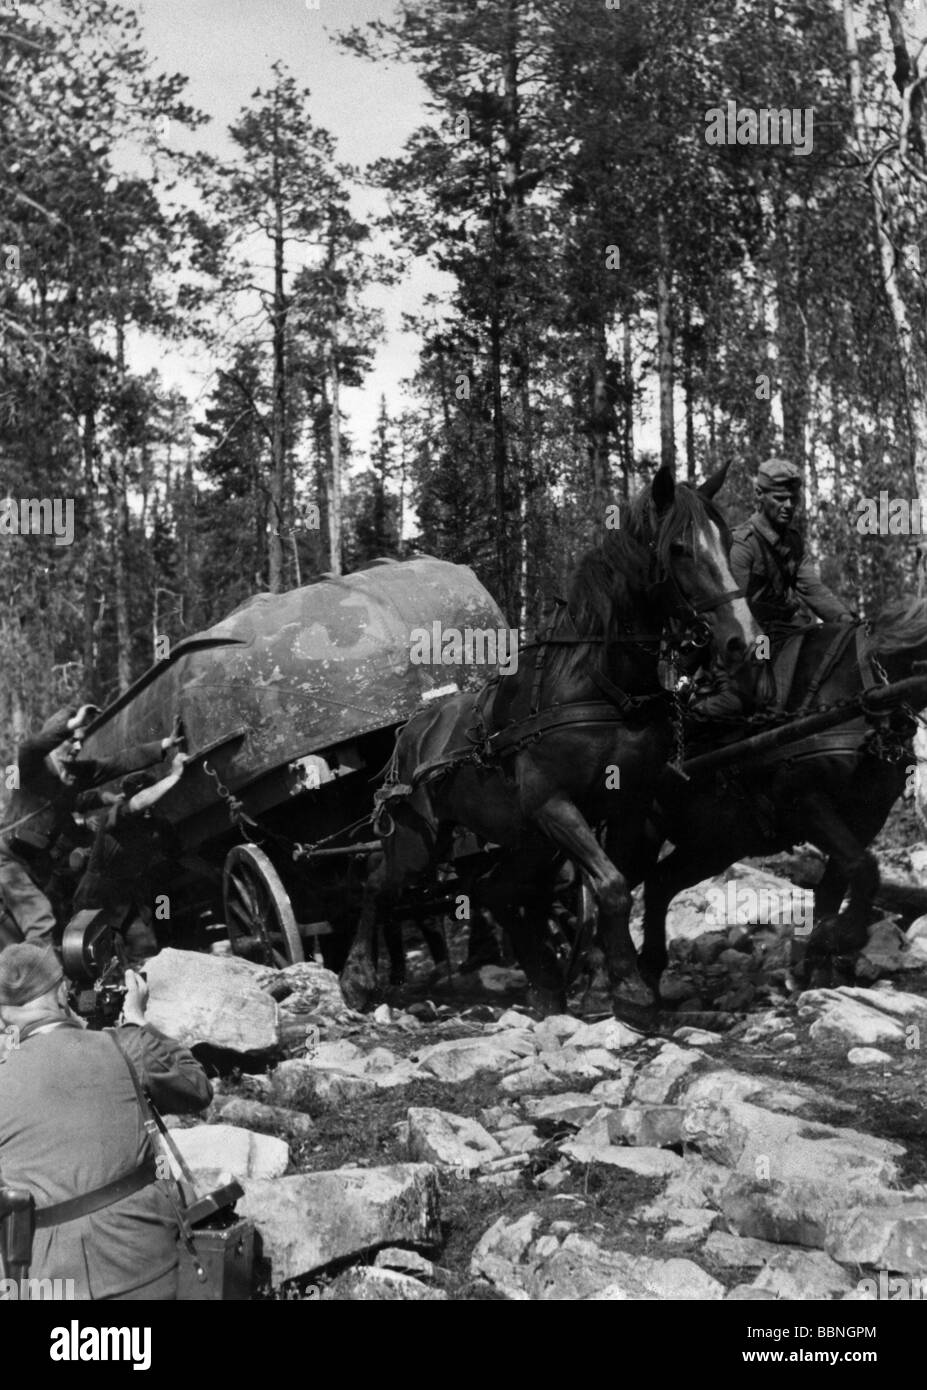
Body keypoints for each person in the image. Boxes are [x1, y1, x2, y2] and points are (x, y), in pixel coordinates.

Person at [0, 942, 211, 1300]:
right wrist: (138, 1022)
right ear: (64, 993)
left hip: (48, 1285)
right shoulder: (123, 1046)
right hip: (149, 1268)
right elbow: (197, 1088)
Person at [0, 705, 179, 950]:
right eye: (72, 740)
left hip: (36, 865)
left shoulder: (75, 774)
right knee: (41, 920)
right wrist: (70, 725)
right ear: (56, 739)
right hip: (8, 857)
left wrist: (163, 746)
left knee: (15, 929)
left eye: (80, 742)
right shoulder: (31, 769)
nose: (77, 748)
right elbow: (28, 748)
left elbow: (117, 763)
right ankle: (47, 984)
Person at [70, 752, 189, 961]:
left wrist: (215, 872)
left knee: (147, 949)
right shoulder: (116, 817)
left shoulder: (158, 825)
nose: (149, 808)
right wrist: (175, 775)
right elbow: (139, 803)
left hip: (132, 898)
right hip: (96, 901)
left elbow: (179, 856)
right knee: (97, 961)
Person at [729, 457, 856, 649]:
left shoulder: (793, 542)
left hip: (786, 631)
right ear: (759, 494)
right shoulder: (743, 544)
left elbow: (812, 588)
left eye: (793, 498)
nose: (789, 505)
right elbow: (735, 609)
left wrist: (845, 618)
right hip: (753, 637)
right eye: (780, 498)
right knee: (767, 666)